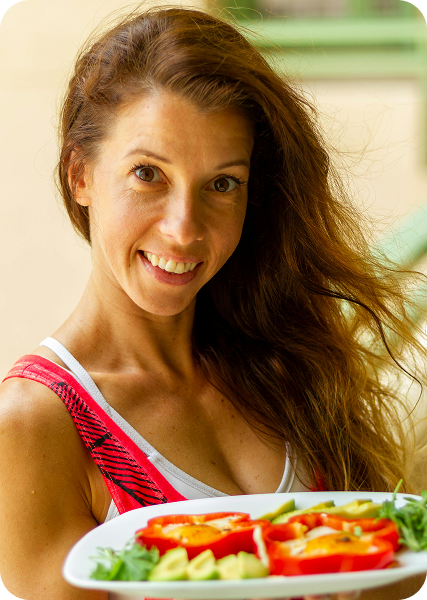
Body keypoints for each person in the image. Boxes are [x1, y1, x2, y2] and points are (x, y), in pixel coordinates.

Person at [0, 4, 425, 600]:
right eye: (148, 174)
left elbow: (394, 577)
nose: (183, 230)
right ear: (80, 175)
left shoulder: (283, 362)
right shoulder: (36, 425)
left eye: (223, 184)